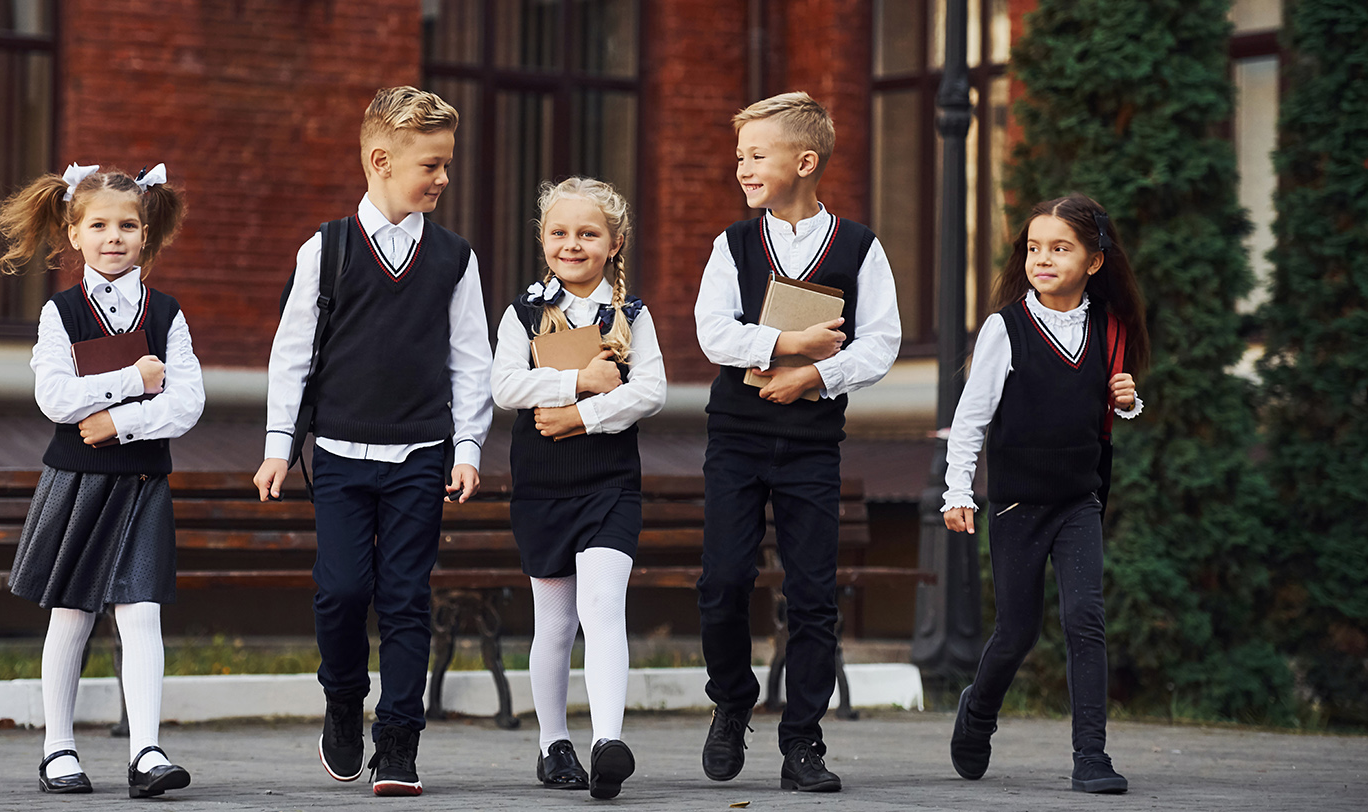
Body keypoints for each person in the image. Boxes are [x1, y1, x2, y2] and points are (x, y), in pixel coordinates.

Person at [252, 86, 493, 798]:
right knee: (342, 591)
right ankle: (342, 700)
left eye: (448, 162)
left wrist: (470, 448)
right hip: (340, 457)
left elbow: (470, 360)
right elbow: (292, 354)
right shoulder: (325, 250)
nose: (444, 177)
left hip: (421, 456)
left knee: (406, 598)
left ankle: (398, 739)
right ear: (382, 160)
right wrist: (275, 444)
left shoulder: (455, 259)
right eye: (433, 164)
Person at [692, 92, 902, 793]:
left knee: (813, 597)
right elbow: (713, 333)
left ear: (804, 162)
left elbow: (882, 344)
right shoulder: (733, 244)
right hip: (737, 441)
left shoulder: (859, 248)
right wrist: (786, 341)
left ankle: (802, 743)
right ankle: (730, 700)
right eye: (740, 156)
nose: (743, 167)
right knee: (723, 581)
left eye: (757, 155)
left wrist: (814, 373)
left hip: (812, 444)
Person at [0, 162, 202, 799]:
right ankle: (58, 747)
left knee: (142, 613)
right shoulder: (59, 313)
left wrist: (118, 422)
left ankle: (146, 752)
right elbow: (55, 399)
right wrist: (133, 382)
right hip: (76, 483)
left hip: (142, 481)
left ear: (147, 234)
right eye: (100, 225)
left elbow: (188, 403)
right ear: (74, 233)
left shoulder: (167, 314)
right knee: (73, 615)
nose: (115, 237)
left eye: (128, 225)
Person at [943, 192, 1149, 795]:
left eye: (1060, 248)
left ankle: (1092, 755)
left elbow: (1118, 402)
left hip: (1077, 501)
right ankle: (977, 711)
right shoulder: (1005, 329)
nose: (1043, 259)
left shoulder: (1109, 329)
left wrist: (1129, 400)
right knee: (1017, 631)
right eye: (1034, 248)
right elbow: (971, 418)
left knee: (1086, 620)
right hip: (1015, 506)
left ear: (1093, 260)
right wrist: (959, 491)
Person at [491, 177, 666, 800]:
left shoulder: (633, 315)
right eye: (560, 233)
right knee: (557, 625)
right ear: (543, 240)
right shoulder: (524, 312)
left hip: (611, 484)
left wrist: (583, 413)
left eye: (588, 234)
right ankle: (553, 743)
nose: (573, 244)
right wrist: (578, 381)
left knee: (602, 609)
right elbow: (505, 387)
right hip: (542, 486)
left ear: (614, 243)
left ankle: (607, 742)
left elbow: (651, 391)